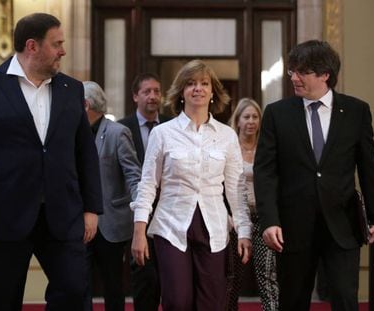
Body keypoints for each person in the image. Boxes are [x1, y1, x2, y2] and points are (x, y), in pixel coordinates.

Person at [0, 13, 103, 311]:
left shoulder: (72, 89)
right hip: (4, 214)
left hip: (63, 213)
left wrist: (92, 207)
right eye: (57, 44)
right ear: (32, 46)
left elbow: (85, 152)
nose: (63, 51)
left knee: (73, 290)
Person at [254, 40, 374, 311]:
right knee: (292, 302)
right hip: (292, 228)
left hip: (342, 226)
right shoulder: (277, 114)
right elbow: (265, 172)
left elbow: (369, 166)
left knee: (346, 300)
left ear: (325, 74)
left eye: (302, 72)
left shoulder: (356, 111)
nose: (294, 78)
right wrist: (269, 220)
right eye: (292, 71)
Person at [130, 59, 253, 310]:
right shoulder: (162, 133)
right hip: (170, 226)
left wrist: (244, 231)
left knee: (211, 303)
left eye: (204, 83)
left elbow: (236, 189)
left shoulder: (227, 136)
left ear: (212, 92)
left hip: (214, 227)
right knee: (177, 301)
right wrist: (139, 231)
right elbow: (147, 185)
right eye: (191, 83)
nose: (198, 88)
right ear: (181, 92)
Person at [83, 81, 141, 311]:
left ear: (85, 105)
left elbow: (133, 175)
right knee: (79, 284)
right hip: (79, 222)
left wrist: (140, 215)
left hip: (111, 223)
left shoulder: (118, 133)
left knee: (113, 285)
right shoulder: (73, 134)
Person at [118, 72, 170, 311]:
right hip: (136, 215)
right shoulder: (121, 128)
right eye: (147, 91)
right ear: (135, 96)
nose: (153, 96)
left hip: (170, 213)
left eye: (157, 91)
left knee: (170, 278)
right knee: (144, 278)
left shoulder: (173, 126)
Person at [228, 98, 278, 311]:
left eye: (255, 117)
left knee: (267, 274)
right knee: (232, 277)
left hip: (262, 218)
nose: (251, 121)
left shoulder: (267, 148)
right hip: (234, 221)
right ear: (237, 121)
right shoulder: (228, 148)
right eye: (246, 117)